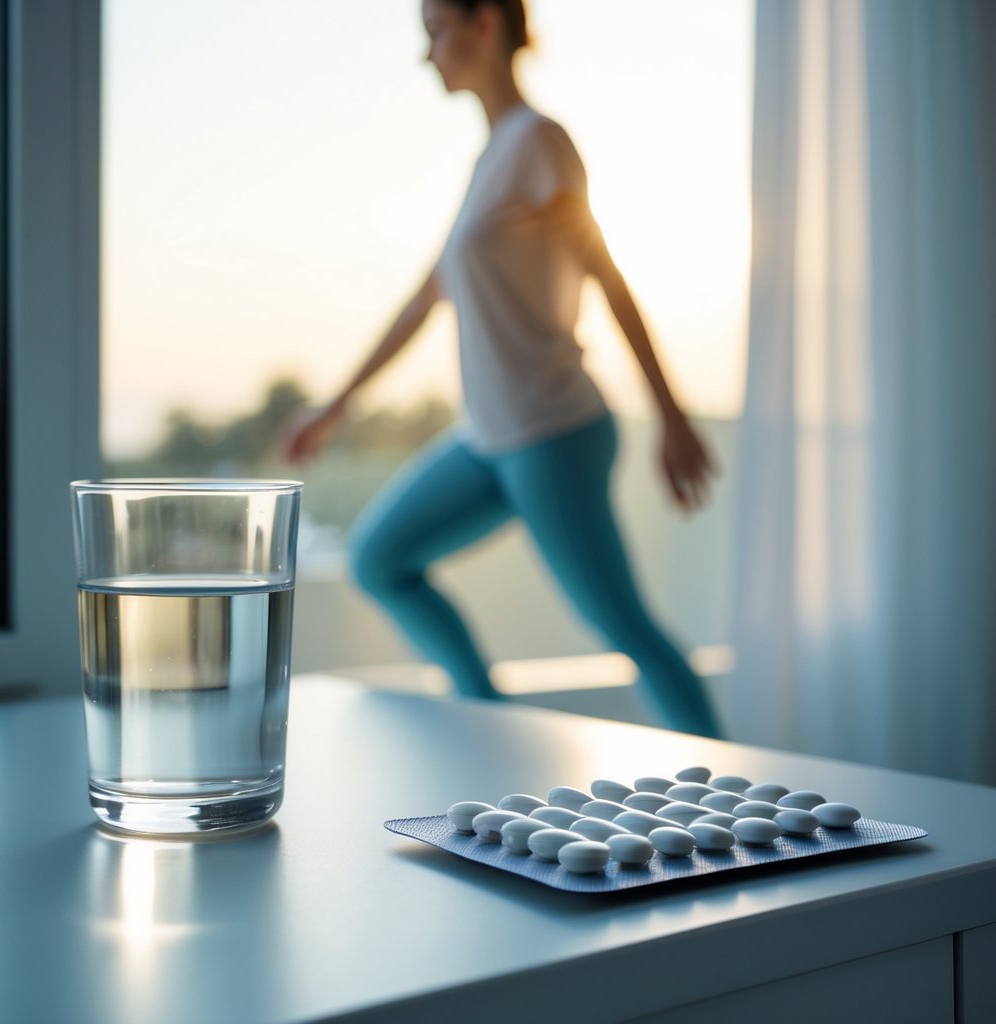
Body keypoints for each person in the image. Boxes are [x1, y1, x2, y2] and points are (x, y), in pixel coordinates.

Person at [282, 0, 722, 738]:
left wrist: (673, 419)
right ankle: (487, 725)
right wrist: (334, 406)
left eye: (435, 31)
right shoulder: (490, 160)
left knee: (624, 626)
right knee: (379, 560)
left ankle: (741, 791)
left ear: (482, 23)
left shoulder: (539, 142)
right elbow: (426, 297)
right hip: (487, 437)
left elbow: (610, 280)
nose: (428, 55)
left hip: (553, 430)